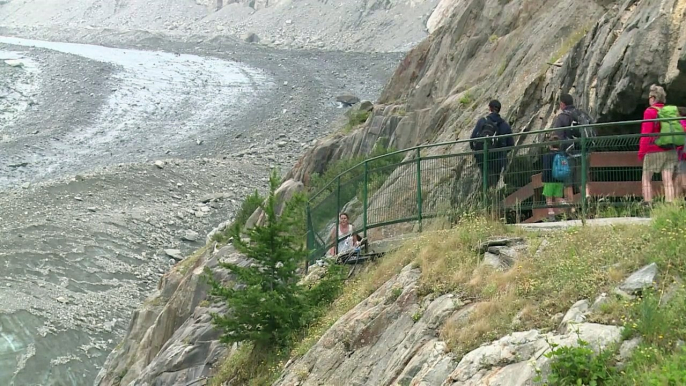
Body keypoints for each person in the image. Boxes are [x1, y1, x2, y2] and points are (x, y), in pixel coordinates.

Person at [638, 85, 679, 204]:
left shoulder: (650, 112)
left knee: (646, 178)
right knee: (667, 180)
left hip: (654, 150)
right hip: (671, 149)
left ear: (653, 98)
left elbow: (646, 134)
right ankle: (670, 205)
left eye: (649, 97)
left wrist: (641, 152)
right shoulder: (670, 111)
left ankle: (648, 204)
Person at [552, 93, 594, 198]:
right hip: (584, 151)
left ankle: (571, 209)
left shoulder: (562, 118)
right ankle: (587, 197)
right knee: (582, 179)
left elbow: (558, 137)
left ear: (562, 104)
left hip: (568, 154)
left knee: (568, 183)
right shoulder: (582, 114)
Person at [469, 100, 514, 188]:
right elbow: (510, 144)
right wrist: (501, 153)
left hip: (482, 157)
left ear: (489, 108)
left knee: (485, 176)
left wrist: (476, 150)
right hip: (498, 158)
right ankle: (493, 193)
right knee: (495, 178)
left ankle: (487, 195)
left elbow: (473, 138)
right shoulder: (505, 125)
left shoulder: (482, 121)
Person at [541, 135, 570, 221]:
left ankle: (551, 214)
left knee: (548, 198)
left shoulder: (547, 156)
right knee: (558, 197)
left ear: (550, 145)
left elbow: (545, 169)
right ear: (559, 145)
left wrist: (543, 179)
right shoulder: (562, 154)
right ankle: (564, 203)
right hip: (559, 180)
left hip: (549, 180)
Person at [676, 106, 686, 197]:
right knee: (678, 180)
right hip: (683, 155)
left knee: (682, 181)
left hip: (682, 156)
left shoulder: (679, 125)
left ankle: (676, 203)